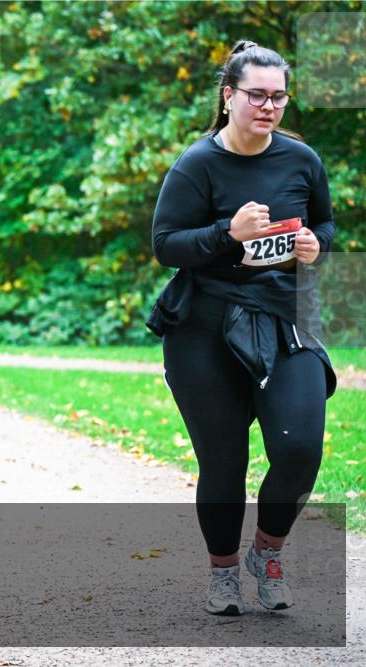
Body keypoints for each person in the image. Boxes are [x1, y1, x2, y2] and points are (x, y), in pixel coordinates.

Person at [149, 40, 336, 616]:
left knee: (301, 449)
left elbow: (325, 225)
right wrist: (227, 234)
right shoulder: (197, 164)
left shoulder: (301, 160)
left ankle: (268, 552)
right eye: (256, 94)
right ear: (229, 95)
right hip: (204, 329)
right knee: (224, 462)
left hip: (285, 320)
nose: (269, 106)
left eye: (278, 96)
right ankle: (224, 572)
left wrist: (312, 246)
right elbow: (165, 245)